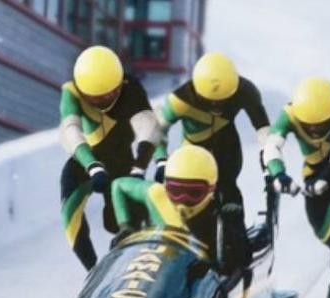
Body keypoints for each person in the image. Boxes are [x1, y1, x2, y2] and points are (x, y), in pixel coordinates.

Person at [263, 77, 330, 298]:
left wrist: (325, 180)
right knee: (321, 230)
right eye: (308, 125)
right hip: (314, 174)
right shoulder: (289, 113)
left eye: (322, 124)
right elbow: (272, 145)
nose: (315, 130)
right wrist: (279, 175)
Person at [152, 52, 270, 249]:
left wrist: (269, 160)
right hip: (192, 154)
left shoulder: (246, 91)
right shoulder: (180, 99)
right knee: (185, 198)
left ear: (234, 88)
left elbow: (263, 129)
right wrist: (161, 161)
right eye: (210, 100)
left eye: (223, 100)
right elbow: (157, 130)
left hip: (226, 149)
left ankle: (237, 246)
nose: (216, 106)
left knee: (228, 192)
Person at [59, 45, 161, 271]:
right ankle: (92, 270)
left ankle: (140, 259)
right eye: (94, 99)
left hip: (120, 159)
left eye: (109, 96)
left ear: (119, 85)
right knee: (69, 211)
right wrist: (91, 165)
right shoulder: (71, 91)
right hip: (87, 159)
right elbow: (70, 130)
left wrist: (141, 166)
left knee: (122, 220)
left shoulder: (131, 87)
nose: (102, 103)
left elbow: (149, 126)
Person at [111, 145, 249, 274]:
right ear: (166, 186)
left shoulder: (217, 218)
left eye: (193, 193)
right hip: (149, 264)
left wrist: (232, 228)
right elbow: (118, 185)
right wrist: (126, 226)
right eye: (175, 191)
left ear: (211, 191)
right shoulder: (157, 193)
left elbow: (239, 263)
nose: (182, 201)